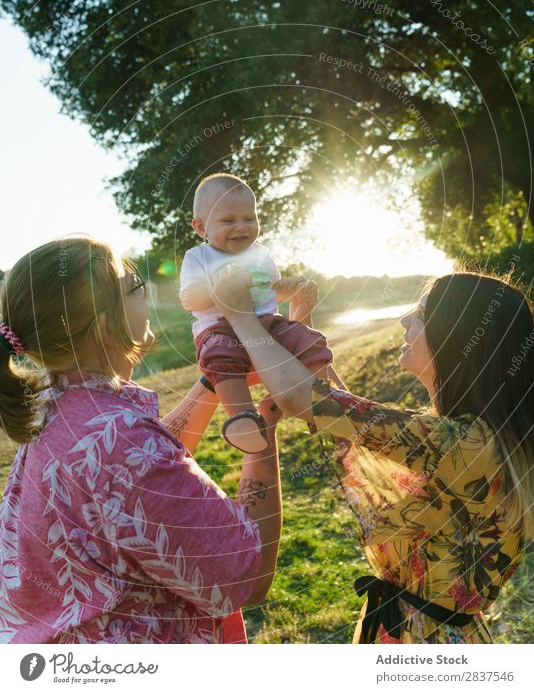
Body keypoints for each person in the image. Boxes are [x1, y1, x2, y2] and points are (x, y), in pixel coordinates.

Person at [208, 265, 534, 644]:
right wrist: (301, 323)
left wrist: (240, 317)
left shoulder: (464, 443)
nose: (404, 319)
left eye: (422, 312)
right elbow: (348, 420)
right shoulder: (472, 436)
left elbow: (307, 399)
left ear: (459, 339)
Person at [0, 236, 282, 644]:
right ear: (103, 325)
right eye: (134, 286)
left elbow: (136, 480)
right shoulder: (119, 442)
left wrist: (213, 380)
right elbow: (246, 576)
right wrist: (262, 427)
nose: (146, 291)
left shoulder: (59, 402)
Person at [179, 173, 333, 453]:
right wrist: (218, 287)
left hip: (267, 324)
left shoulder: (260, 253)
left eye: (249, 218)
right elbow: (189, 299)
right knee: (218, 355)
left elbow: (270, 292)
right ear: (200, 227)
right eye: (228, 221)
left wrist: (290, 289)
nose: (241, 227)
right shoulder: (198, 257)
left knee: (306, 337)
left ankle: (327, 397)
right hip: (220, 327)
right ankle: (243, 418)